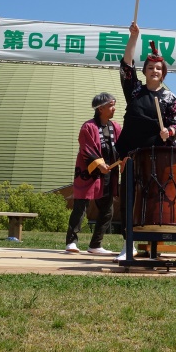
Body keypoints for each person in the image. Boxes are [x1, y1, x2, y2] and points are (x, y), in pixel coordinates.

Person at [113, 21, 176, 260]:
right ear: (144, 71)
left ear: (164, 73)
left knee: (154, 196)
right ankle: (128, 243)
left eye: (159, 69)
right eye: (151, 68)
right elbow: (126, 65)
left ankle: (154, 243)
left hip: (158, 151)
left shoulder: (170, 97)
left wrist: (170, 133)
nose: (155, 71)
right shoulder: (134, 90)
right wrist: (134, 38)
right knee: (129, 196)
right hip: (133, 150)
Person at [64, 93, 120, 256]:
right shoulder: (88, 127)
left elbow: (121, 145)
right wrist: (99, 163)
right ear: (100, 108)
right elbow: (86, 148)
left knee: (107, 210)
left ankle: (96, 244)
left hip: (109, 172)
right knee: (81, 207)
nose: (113, 108)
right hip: (89, 172)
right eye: (111, 105)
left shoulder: (115, 127)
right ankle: (71, 242)